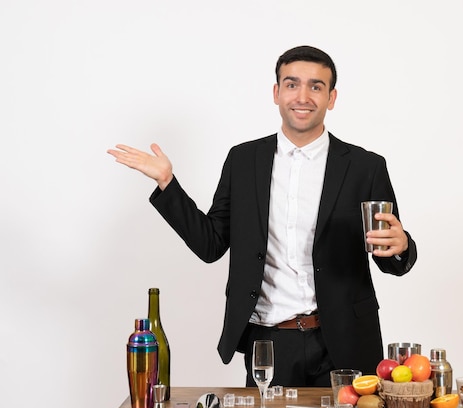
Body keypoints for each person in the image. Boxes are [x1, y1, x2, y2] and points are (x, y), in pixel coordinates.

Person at [107, 45, 417, 387]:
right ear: (276, 92)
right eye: (292, 84)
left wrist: (401, 245)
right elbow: (211, 244)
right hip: (270, 342)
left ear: (331, 98)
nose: (303, 96)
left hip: (345, 341)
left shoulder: (365, 167)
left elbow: (391, 256)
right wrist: (168, 183)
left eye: (316, 86)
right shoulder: (243, 161)